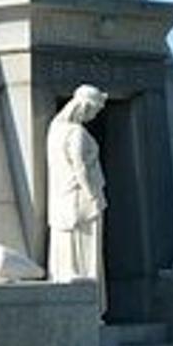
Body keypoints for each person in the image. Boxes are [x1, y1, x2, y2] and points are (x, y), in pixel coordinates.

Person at [47, 85, 108, 310]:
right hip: (81, 201)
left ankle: (69, 302)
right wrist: (93, 196)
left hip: (63, 201)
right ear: (85, 106)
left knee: (69, 253)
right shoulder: (76, 132)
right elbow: (80, 168)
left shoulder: (55, 128)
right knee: (86, 255)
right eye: (94, 110)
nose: (95, 116)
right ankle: (89, 306)